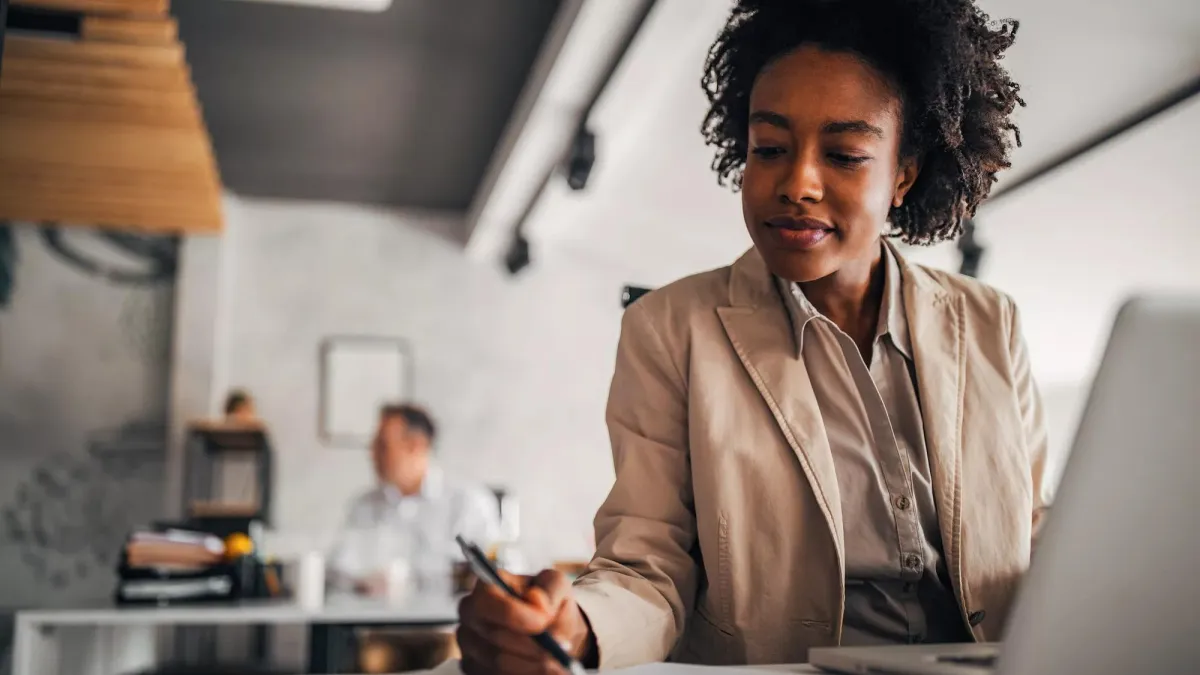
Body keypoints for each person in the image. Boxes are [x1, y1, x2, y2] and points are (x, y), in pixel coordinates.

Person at [457, 0, 1053, 671]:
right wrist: (577, 627)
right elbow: (649, 566)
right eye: (769, 148)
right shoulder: (671, 330)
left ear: (904, 174)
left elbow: (1033, 534)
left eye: (844, 154)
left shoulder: (990, 322)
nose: (796, 182)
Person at [327, 403, 500, 596]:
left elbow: (499, 573)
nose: (372, 455)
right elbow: (338, 573)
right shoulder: (363, 505)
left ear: (415, 445)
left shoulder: (467, 502)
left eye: (383, 446)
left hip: (448, 624)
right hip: (373, 623)